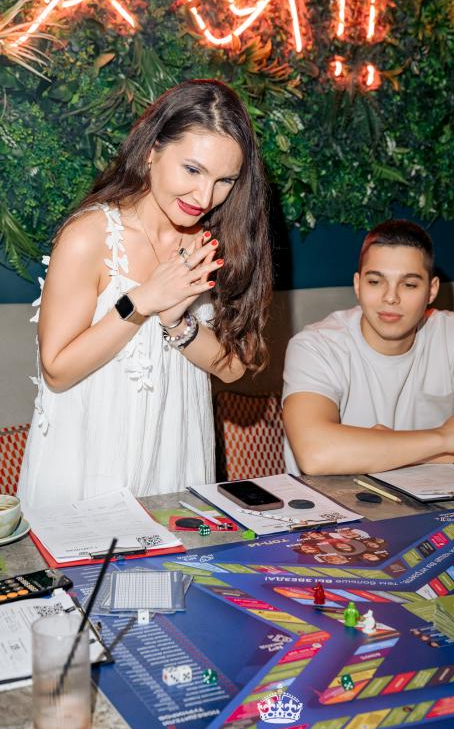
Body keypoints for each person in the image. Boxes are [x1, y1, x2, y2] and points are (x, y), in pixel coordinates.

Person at [18, 79, 272, 507]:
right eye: (192, 170)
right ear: (152, 151)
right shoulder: (90, 236)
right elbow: (57, 370)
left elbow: (232, 369)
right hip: (86, 464)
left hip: (175, 458)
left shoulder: (219, 241)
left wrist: (177, 322)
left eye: (224, 180)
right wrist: (140, 302)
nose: (204, 196)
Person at [282, 219, 454, 475]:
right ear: (357, 285)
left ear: (431, 291)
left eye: (409, 284)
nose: (390, 297)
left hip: (427, 501)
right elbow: (316, 454)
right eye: (375, 281)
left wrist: (397, 452)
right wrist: (444, 439)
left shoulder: (453, 334)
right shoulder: (316, 346)